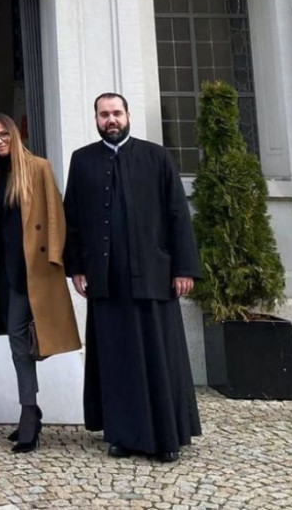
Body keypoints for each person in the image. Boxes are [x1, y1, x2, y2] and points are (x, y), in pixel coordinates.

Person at [63, 93, 202, 462]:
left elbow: (178, 213)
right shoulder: (82, 160)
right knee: (116, 358)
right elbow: (72, 218)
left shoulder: (157, 157)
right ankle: (122, 435)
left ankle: (167, 437)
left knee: (159, 356)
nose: (111, 120)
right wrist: (76, 267)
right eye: (104, 114)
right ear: (96, 119)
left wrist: (184, 268)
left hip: (154, 275)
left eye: (116, 113)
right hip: (106, 278)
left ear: (127, 116)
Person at [0, 113, 81, 453]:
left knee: (22, 341)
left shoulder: (38, 168)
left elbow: (55, 215)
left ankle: (28, 412)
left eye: (3, 134)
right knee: (17, 341)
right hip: (1, 270)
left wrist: (54, 259)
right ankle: (30, 409)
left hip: (31, 269)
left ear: (14, 134)